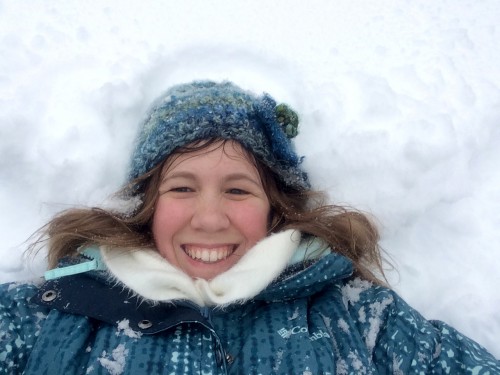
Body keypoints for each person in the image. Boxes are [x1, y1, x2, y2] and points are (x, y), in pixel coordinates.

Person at [0, 81, 498, 375]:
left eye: (238, 190)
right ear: (147, 205)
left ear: (275, 208)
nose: (210, 217)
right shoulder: (54, 315)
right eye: (181, 188)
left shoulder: (361, 319)